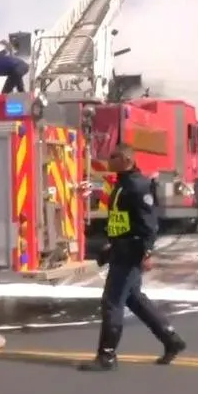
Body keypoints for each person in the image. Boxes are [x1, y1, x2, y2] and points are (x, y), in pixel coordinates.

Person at [79, 145, 186, 372]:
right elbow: (121, 219)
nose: (109, 160)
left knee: (112, 302)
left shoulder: (138, 186)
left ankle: (106, 356)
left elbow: (149, 224)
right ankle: (171, 339)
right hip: (120, 249)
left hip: (131, 252)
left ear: (127, 159)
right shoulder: (121, 183)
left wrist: (146, 252)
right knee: (134, 299)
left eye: (114, 157)